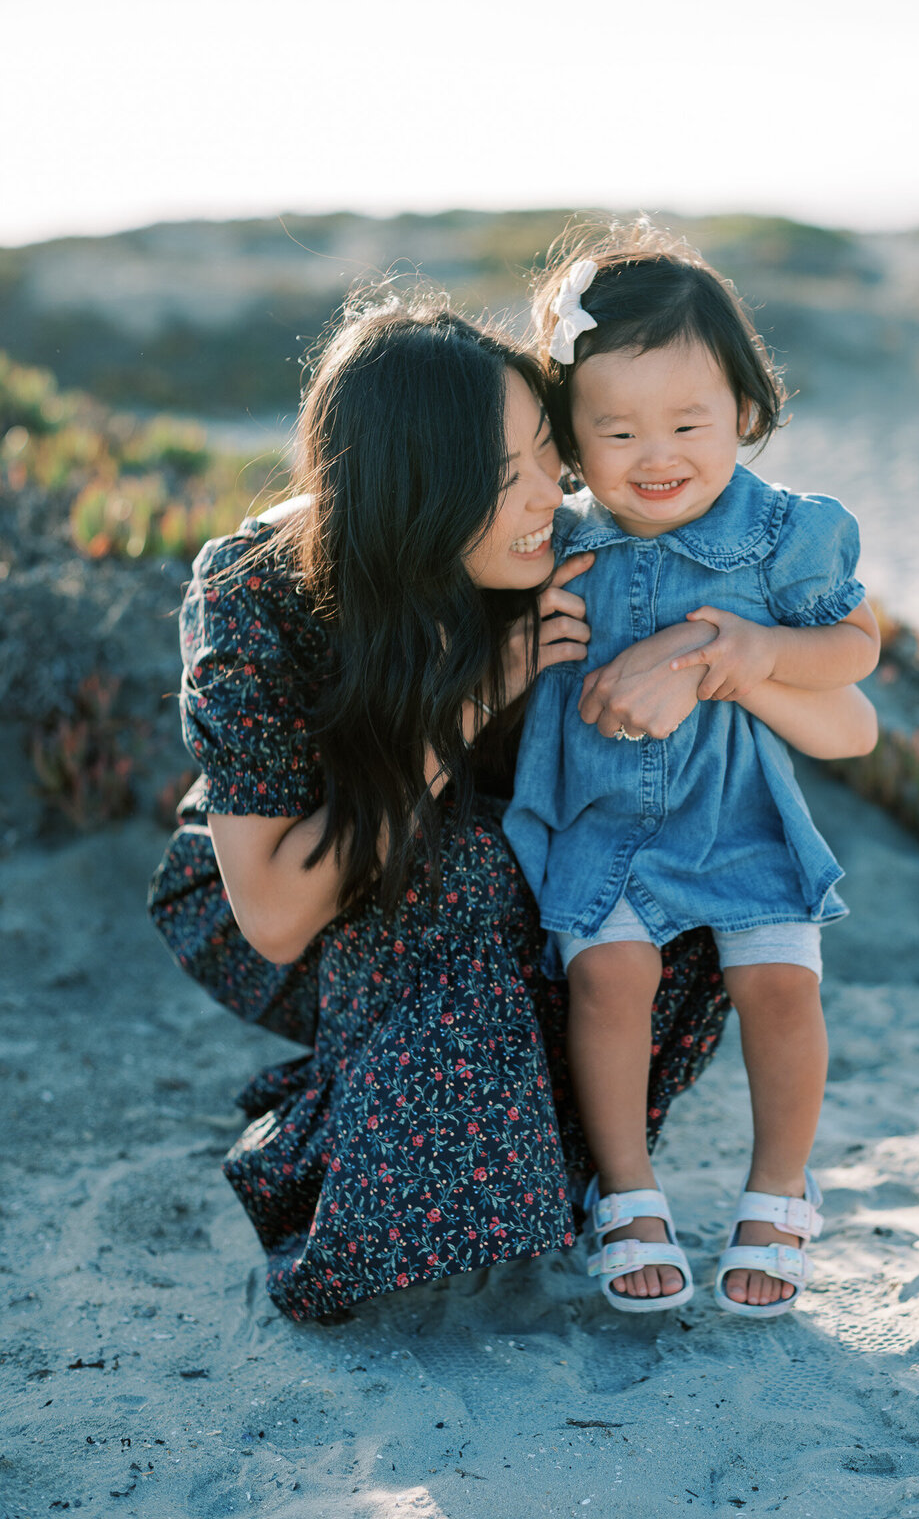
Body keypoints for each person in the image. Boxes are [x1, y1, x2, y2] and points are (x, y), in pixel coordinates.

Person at [148, 290, 874, 1322]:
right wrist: (482, 691)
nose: (552, 495)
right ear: (420, 490)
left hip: (492, 880)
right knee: (468, 869)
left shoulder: (561, 548)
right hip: (287, 895)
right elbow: (271, 914)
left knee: (688, 896)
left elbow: (850, 719)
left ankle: (513, 1145)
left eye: (551, 453)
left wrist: (718, 656)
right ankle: (349, 1136)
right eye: (507, 477)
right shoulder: (257, 592)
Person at [503, 226, 880, 1317]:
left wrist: (755, 652)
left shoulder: (779, 534)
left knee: (782, 984)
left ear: (745, 414)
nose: (655, 453)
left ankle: (777, 1189)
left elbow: (854, 651)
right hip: (602, 812)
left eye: (687, 422)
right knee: (608, 981)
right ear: (568, 436)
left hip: (743, 810)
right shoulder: (556, 541)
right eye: (615, 428)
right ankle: (627, 1193)